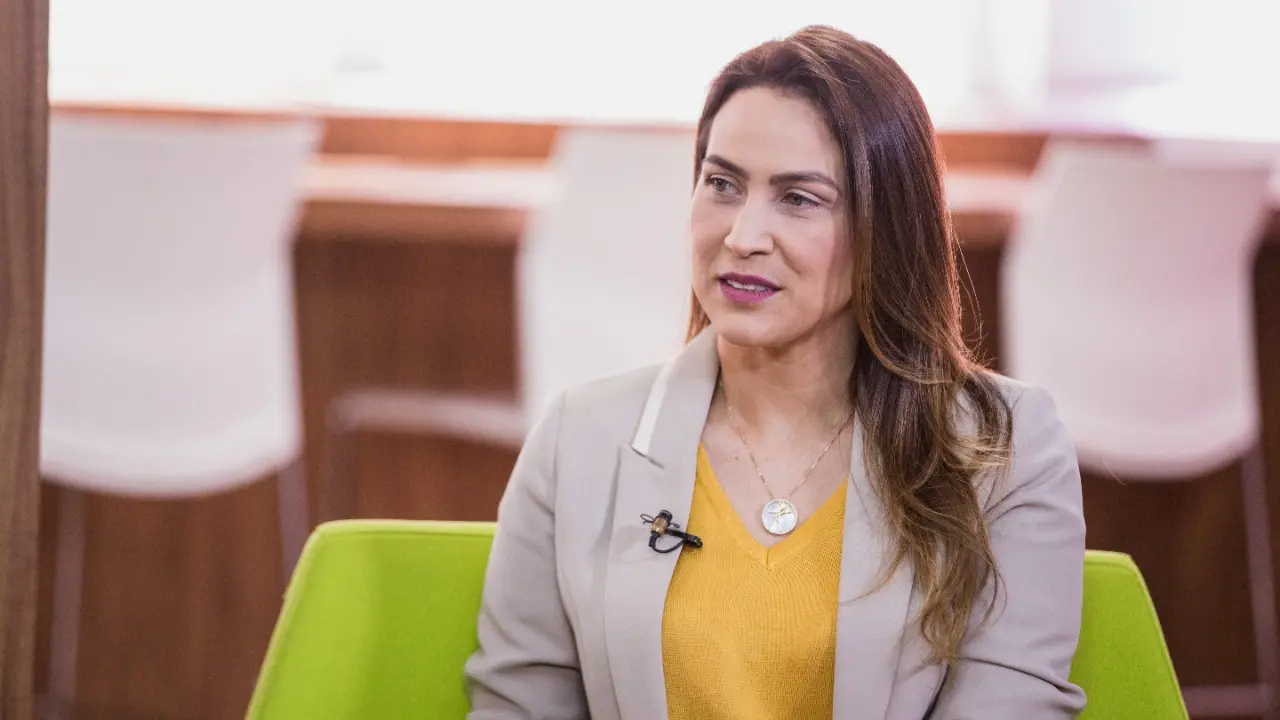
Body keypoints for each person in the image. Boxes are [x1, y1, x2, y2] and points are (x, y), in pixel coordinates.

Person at [464, 24, 1086, 720]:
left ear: (887, 227)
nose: (742, 237)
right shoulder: (577, 439)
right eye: (722, 184)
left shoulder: (1004, 451)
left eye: (798, 198)